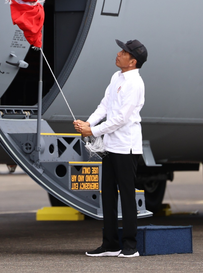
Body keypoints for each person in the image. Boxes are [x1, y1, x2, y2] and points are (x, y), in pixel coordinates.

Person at [73, 39, 148, 258]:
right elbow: (104, 106)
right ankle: (110, 244)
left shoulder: (135, 84)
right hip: (111, 145)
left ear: (132, 61)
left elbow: (121, 119)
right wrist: (88, 124)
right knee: (107, 194)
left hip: (127, 147)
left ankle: (130, 246)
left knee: (126, 195)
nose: (118, 54)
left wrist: (93, 132)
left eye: (123, 52)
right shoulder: (116, 77)